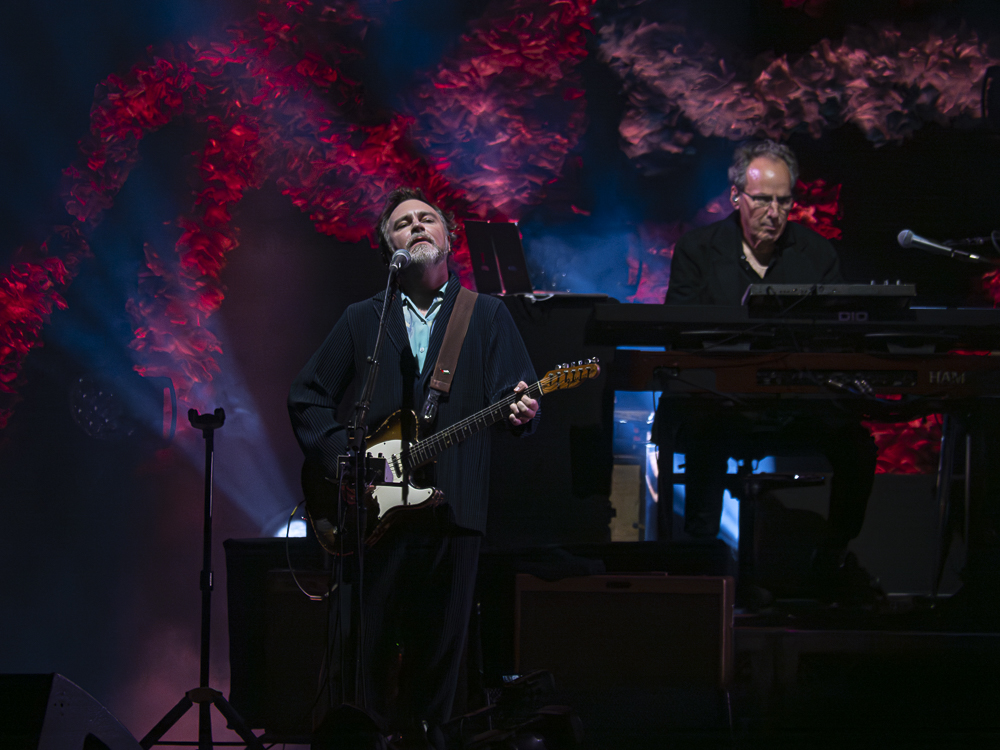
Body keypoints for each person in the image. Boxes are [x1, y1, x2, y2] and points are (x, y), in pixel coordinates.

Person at [288, 187, 539, 748]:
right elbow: (307, 397)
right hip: (371, 519)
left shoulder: (487, 314)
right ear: (389, 249)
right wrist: (343, 459)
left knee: (438, 671)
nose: (418, 226)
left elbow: (516, 396)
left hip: (455, 513)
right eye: (403, 223)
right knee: (365, 662)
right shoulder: (363, 319)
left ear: (449, 238)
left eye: (428, 219)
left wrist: (524, 410)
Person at [660, 140, 878, 601]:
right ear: (736, 196)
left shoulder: (816, 254)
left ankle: (832, 555)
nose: (774, 213)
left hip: (795, 408)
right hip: (721, 406)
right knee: (703, 430)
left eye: (783, 201)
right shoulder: (699, 250)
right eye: (762, 200)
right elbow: (677, 335)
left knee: (857, 446)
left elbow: (842, 335)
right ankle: (705, 570)